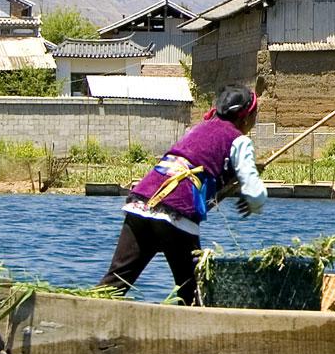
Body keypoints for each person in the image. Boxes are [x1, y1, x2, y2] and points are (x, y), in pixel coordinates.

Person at [97, 84, 268, 304]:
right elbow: (254, 192)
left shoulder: (198, 129)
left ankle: (84, 313)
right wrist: (253, 201)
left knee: (116, 281)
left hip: (142, 202)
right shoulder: (239, 140)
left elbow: (199, 161)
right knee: (194, 292)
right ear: (245, 118)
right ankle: (192, 334)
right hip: (176, 213)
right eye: (255, 115)